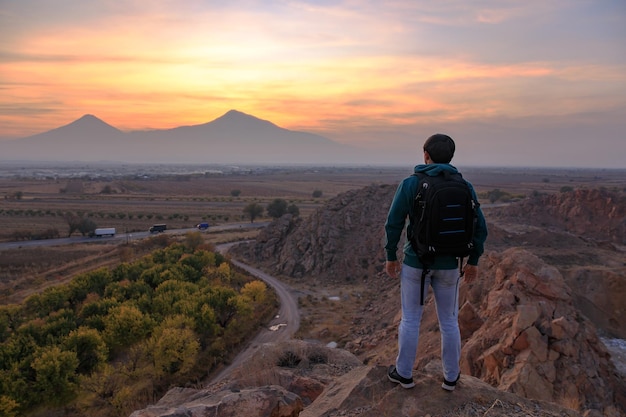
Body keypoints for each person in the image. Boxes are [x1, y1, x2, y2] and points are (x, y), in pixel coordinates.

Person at [384, 133, 488, 391]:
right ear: (451, 157)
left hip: (415, 262)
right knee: (449, 321)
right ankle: (451, 378)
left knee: (410, 319)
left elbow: (394, 223)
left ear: (425, 155)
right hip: (450, 265)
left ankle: (404, 374)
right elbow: (480, 227)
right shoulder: (465, 186)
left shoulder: (411, 183)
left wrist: (390, 256)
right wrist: (473, 261)